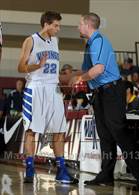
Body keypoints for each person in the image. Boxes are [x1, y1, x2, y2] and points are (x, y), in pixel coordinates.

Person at [70, 13, 139, 190]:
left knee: (119, 133)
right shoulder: (89, 44)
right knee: (105, 136)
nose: (78, 27)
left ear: (88, 25)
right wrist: (76, 77)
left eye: (80, 24)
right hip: (100, 93)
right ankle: (106, 174)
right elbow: (88, 70)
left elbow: (98, 69)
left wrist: (79, 78)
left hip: (111, 91)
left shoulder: (99, 40)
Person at [17, 11, 78, 184]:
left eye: (59, 25)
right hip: (36, 89)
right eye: (56, 25)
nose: (58, 29)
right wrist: (38, 65)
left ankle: (61, 170)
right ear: (46, 24)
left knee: (59, 131)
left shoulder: (56, 41)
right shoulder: (31, 40)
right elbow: (20, 67)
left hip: (53, 90)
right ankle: (29, 168)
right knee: (31, 131)